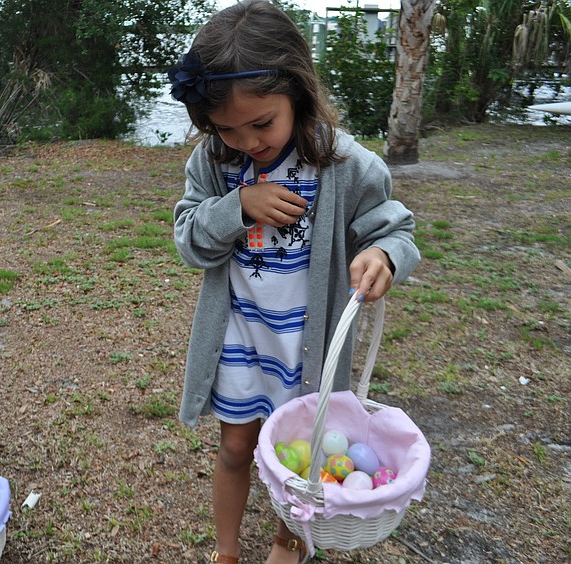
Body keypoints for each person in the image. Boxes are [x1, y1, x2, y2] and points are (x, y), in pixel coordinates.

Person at [168, 2, 420, 563]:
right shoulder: (214, 162)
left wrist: (383, 254)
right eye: (226, 128)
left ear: (298, 92)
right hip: (240, 337)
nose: (246, 141)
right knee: (236, 447)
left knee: (301, 456)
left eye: (261, 123)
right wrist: (237, 205)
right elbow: (189, 240)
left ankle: (287, 541)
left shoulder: (345, 164)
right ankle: (226, 550)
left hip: (309, 348)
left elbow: (395, 229)